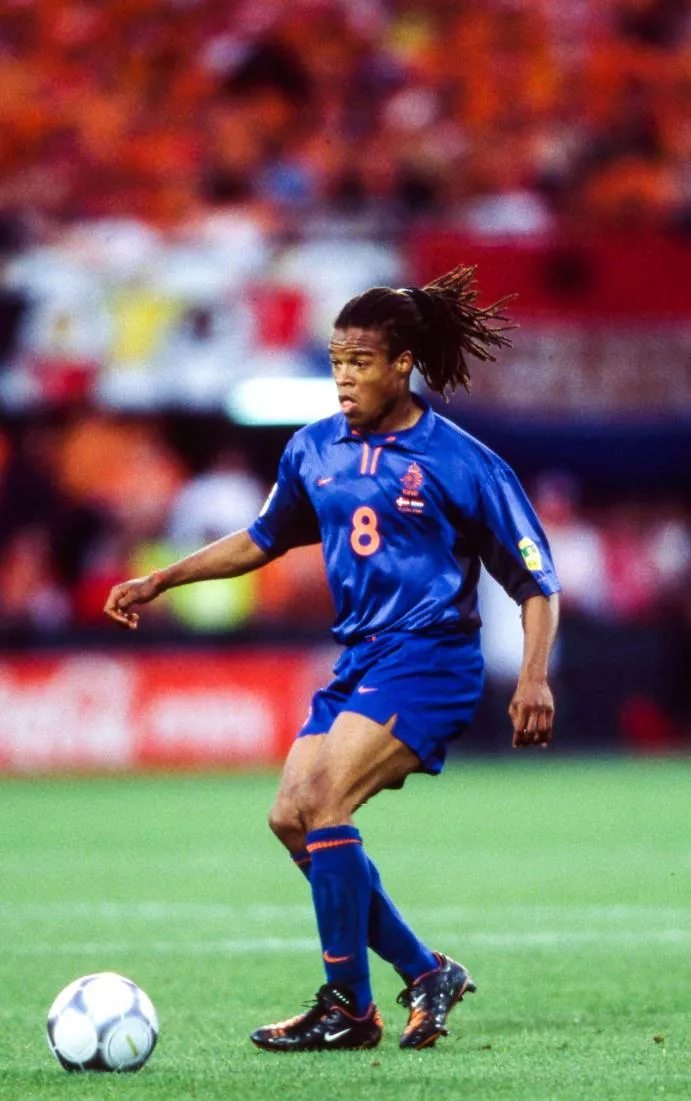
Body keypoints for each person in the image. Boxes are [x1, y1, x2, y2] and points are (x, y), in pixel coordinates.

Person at [104, 265, 561, 1052]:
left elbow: (535, 580)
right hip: (360, 661)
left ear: (401, 365)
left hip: (429, 660)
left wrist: (532, 675)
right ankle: (424, 971)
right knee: (290, 818)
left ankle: (348, 1005)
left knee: (323, 801)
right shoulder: (314, 449)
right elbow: (260, 538)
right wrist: (162, 576)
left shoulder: (462, 461)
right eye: (335, 359)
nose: (343, 376)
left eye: (359, 361)